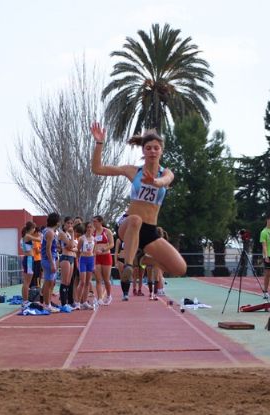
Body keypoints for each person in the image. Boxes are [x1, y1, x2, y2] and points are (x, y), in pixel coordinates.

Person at [90, 122, 187, 288]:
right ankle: (128, 265)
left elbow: (166, 180)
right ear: (143, 150)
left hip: (149, 230)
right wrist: (99, 143)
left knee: (180, 268)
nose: (152, 151)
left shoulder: (165, 172)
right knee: (136, 219)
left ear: (161, 151)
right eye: (148, 148)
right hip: (127, 225)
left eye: (156, 148)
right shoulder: (133, 171)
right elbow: (97, 169)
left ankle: (142, 259)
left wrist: (155, 182)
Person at [92, 215, 114, 305]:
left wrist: (104, 249)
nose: (94, 223)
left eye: (95, 221)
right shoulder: (92, 232)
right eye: (93, 221)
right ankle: (100, 298)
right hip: (96, 257)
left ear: (100, 222)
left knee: (106, 279)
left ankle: (109, 296)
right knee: (98, 279)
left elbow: (112, 244)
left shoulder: (107, 231)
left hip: (106, 256)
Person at [41, 213, 61, 312]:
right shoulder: (50, 232)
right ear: (57, 222)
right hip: (48, 259)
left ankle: (47, 303)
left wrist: (57, 247)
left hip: (47, 259)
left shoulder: (46, 230)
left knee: (49, 283)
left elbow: (48, 247)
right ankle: (47, 304)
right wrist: (52, 263)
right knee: (49, 284)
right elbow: (48, 249)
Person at [76, 221, 96, 310]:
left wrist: (94, 263)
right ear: (85, 228)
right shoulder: (81, 238)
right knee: (82, 282)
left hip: (90, 260)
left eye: (91, 227)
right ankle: (77, 302)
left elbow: (94, 252)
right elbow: (77, 250)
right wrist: (77, 261)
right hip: (83, 260)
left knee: (88, 282)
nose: (89, 229)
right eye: (88, 227)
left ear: (93, 229)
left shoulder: (94, 239)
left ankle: (84, 302)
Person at [58, 217, 78, 308]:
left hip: (71, 257)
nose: (70, 225)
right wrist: (73, 234)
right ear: (64, 224)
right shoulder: (62, 234)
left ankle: (68, 302)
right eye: (68, 223)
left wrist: (72, 246)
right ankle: (63, 303)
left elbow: (76, 247)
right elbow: (71, 246)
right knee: (65, 281)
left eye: (71, 223)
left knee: (69, 282)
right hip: (65, 257)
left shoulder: (68, 234)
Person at [20, 222, 37, 304]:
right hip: (29, 259)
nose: (35, 230)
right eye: (34, 228)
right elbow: (39, 239)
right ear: (31, 228)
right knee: (27, 282)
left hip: (28, 258)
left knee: (26, 282)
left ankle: (25, 300)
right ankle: (25, 301)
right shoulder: (28, 236)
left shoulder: (24, 237)